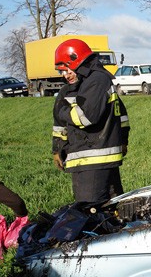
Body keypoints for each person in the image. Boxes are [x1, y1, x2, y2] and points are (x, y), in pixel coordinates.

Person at [52, 39, 130, 208]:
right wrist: (57, 149)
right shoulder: (73, 88)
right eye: (61, 72)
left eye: (66, 70)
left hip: (92, 158)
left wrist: (63, 111)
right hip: (89, 158)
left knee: (90, 213)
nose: (65, 76)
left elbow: (85, 117)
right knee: (112, 210)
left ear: (77, 61)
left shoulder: (96, 81)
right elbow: (59, 125)